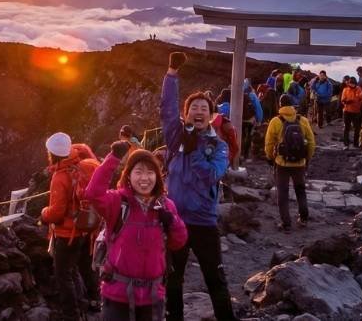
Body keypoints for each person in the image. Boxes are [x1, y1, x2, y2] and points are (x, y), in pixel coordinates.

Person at [160, 52, 236, 321]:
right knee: (173, 279)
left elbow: (213, 175)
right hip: (175, 219)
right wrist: (171, 74)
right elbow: (166, 108)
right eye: (194, 108)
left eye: (204, 108)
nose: (199, 111)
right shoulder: (174, 137)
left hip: (204, 222)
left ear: (211, 115)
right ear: (186, 114)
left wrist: (193, 152)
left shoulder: (218, 146)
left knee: (215, 278)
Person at [85, 141, 187, 321]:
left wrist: (173, 221)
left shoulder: (165, 206)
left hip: (153, 296)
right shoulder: (118, 203)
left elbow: (179, 241)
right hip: (117, 294)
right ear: (128, 175)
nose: (144, 178)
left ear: (157, 176)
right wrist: (113, 158)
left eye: (150, 172)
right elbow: (93, 193)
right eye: (138, 172)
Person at [40, 132, 102, 319]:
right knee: (84, 266)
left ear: (52, 153)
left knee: (63, 274)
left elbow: (57, 211)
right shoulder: (83, 166)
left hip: (67, 234)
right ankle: (94, 300)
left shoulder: (60, 176)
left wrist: (44, 213)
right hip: (86, 228)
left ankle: (72, 313)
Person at [264, 93, 316, 231]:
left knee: (283, 193)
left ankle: (286, 223)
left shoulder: (275, 121)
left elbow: (269, 143)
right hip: (299, 163)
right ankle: (304, 218)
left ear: (280, 105)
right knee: (300, 190)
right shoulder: (303, 120)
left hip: (282, 163)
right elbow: (311, 142)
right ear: (293, 105)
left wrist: (270, 157)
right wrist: (307, 158)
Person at [340, 77, 362, 148]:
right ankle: (346, 144)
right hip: (347, 111)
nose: (351, 85)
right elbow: (342, 99)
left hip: (356, 112)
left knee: (357, 128)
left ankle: (355, 143)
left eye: (353, 83)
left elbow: (361, 98)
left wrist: (355, 101)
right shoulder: (345, 90)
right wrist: (346, 101)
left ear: (355, 83)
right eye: (350, 83)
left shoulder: (359, 89)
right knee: (346, 128)